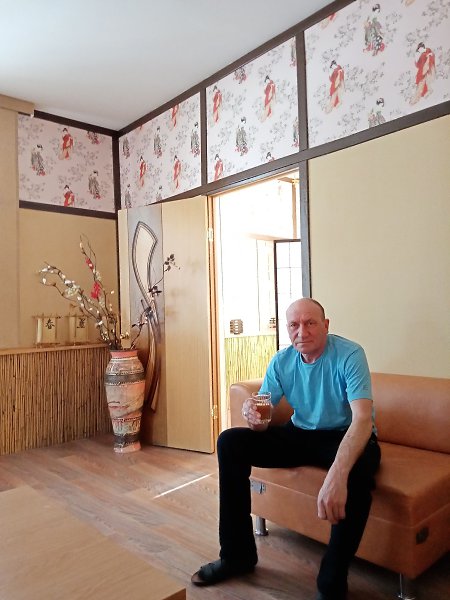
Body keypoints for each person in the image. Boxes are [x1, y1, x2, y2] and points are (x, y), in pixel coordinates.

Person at [191, 298, 381, 600]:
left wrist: (337, 474)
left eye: (310, 323)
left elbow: (361, 420)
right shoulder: (282, 361)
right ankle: (237, 556)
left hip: (344, 435)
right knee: (230, 442)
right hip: (300, 433)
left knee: (358, 471)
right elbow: (264, 419)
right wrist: (254, 416)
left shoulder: (350, 355)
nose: (301, 332)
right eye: (294, 325)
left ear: (325, 325)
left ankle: (331, 582)